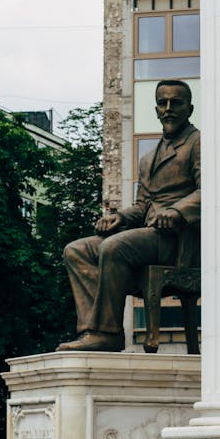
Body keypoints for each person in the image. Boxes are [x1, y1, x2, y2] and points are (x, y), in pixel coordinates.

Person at [57, 79, 200, 352]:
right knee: (76, 250)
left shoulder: (198, 143)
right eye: (162, 103)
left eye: (176, 103)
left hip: (177, 241)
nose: (168, 108)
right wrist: (120, 218)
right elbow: (143, 205)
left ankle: (108, 332)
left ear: (190, 109)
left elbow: (209, 191)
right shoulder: (148, 158)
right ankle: (92, 331)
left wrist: (176, 212)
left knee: (114, 246)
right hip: (147, 238)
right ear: (156, 109)